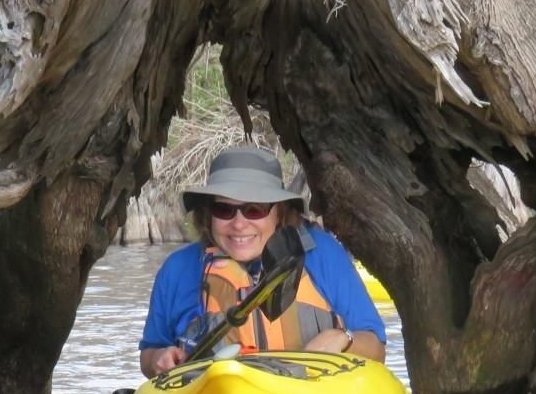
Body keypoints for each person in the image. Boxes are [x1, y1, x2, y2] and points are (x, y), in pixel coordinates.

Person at [138, 146, 388, 378]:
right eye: (224, 210)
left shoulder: (323, 253)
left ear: (278, 212)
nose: (238, 224)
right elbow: (149, 356)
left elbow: (376, 349)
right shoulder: (177, 269)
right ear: (208, 213)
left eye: (254, 210)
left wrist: (343, 338)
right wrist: (158, 359)